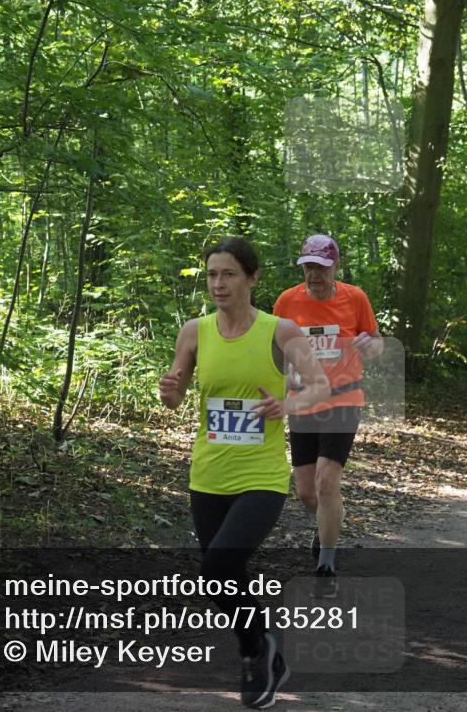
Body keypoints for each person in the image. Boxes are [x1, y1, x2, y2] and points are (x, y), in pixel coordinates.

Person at [159, 237, 330, 709]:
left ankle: (255, 654)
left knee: (218, 565)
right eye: (213, 274)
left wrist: (287, 403)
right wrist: (169, 390)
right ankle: (264, 648)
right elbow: (175, 398)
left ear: (252, 279)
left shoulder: (281, 331)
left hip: (261, 475)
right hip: (208, 472)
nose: (219, 283)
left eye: (229, 274)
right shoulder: (194, 331)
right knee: (220, 580)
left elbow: (319, 386)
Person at [273, 234, 382, 599]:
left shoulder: (356, 298)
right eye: (308, 267)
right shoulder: (288, 301)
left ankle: (327, 563)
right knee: (306, 492)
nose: (313, 275)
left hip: (343, 399)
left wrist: (371, 345)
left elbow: (376, 343)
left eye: (320, 268)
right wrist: (283, 374)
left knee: (325, 482)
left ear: (336, 267)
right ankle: (326, 526)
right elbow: (275, 349)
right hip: (303, 401)